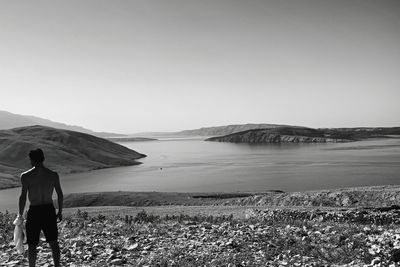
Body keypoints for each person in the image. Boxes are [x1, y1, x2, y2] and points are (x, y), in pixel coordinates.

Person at [18, 148, 63, 267]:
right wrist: (60, 212)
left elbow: (23, 197)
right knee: (54, 242)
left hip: (35, 210)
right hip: (49, 210)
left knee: (32, 244)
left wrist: (20, 215)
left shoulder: (26, 176)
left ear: (31, 160)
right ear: (43, 158)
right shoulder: (53, 175)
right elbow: (60, 194)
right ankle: (57, 265)